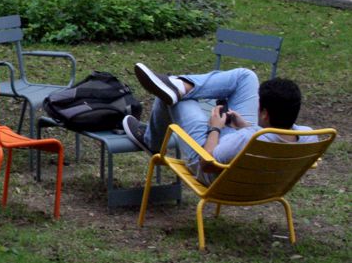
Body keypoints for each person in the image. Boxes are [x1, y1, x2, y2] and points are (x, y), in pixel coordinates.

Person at [123, 63, 317, 186]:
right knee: (246, 77)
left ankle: (152, 139)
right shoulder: (308, 135)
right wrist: (245, 126)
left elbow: (207, 164)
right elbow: (268, 138)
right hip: (254, 173)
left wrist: (215, 127)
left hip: (214, 170)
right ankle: (179, 85)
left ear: (265, 114)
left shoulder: (246, 138)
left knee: (176, 100)